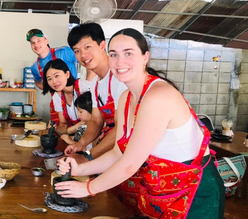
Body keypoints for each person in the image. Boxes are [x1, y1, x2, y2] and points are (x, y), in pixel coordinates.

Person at [56, 28, 224, 219]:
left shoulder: (158, 95)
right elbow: (119, 152)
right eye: (114, 55)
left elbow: (130, 164)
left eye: (128, 53)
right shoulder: (126, 97)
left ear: (145, 57)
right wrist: (81, 168)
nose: (120, 62)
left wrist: (87, 188)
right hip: (160, 189)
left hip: (194, 193)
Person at [64, 22, 127, 159]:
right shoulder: (96, 84)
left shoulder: (120, 78)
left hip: (130, 151)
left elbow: (121, 129)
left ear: (102, 45)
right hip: (114, 149)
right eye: (77, 51)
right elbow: (96, 121)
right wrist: (79, 145)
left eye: (87, 47)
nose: (83, 55)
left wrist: (89, 156)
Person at [42, 59, 91, 134]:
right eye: (49, 79)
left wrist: (68, 131)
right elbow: (63, 123)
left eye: (57, 76)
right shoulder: (57, 96)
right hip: (74, 136)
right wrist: (55, 128)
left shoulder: (84, 87)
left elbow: (92, 118)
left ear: (67, 74)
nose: (54, 81)